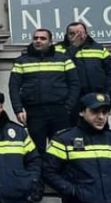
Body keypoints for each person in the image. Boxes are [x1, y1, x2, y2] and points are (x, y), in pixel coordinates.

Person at [8, 27, 79, 172]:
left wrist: (68, 106)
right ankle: (38, 182)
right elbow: (13, 87)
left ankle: (60, 179)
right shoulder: (22, 61)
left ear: (50, 41)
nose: (38, 41)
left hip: (59, 111)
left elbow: (75, 84)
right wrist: (18, 109)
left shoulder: (63, 59)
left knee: (61, 147)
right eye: (36, 38)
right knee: (36, 150)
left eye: (42, 38)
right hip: (34, 112)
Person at [57, 22, 111, 104]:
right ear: (67, 35)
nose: (76, 36)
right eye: (72, 34)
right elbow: (58, 68)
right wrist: (74, 47)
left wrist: (108, 93)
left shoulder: (99, 48)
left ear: (86, 34)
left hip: (97, 96)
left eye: (80, 33)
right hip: (71, 98)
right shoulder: (58, 49)